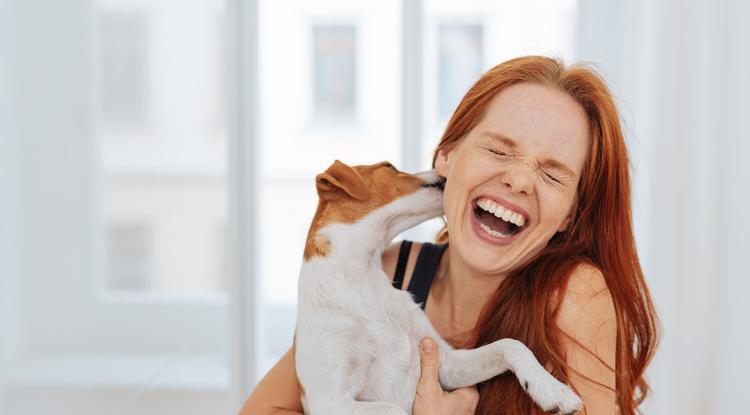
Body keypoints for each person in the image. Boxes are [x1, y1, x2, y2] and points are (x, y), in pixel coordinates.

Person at [239, 56, 658, 415]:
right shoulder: (387, 271)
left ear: (571, 214)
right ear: (446, 156)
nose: (518, 179)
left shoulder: (574, 294)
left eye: (552, 174)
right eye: (498, 149)